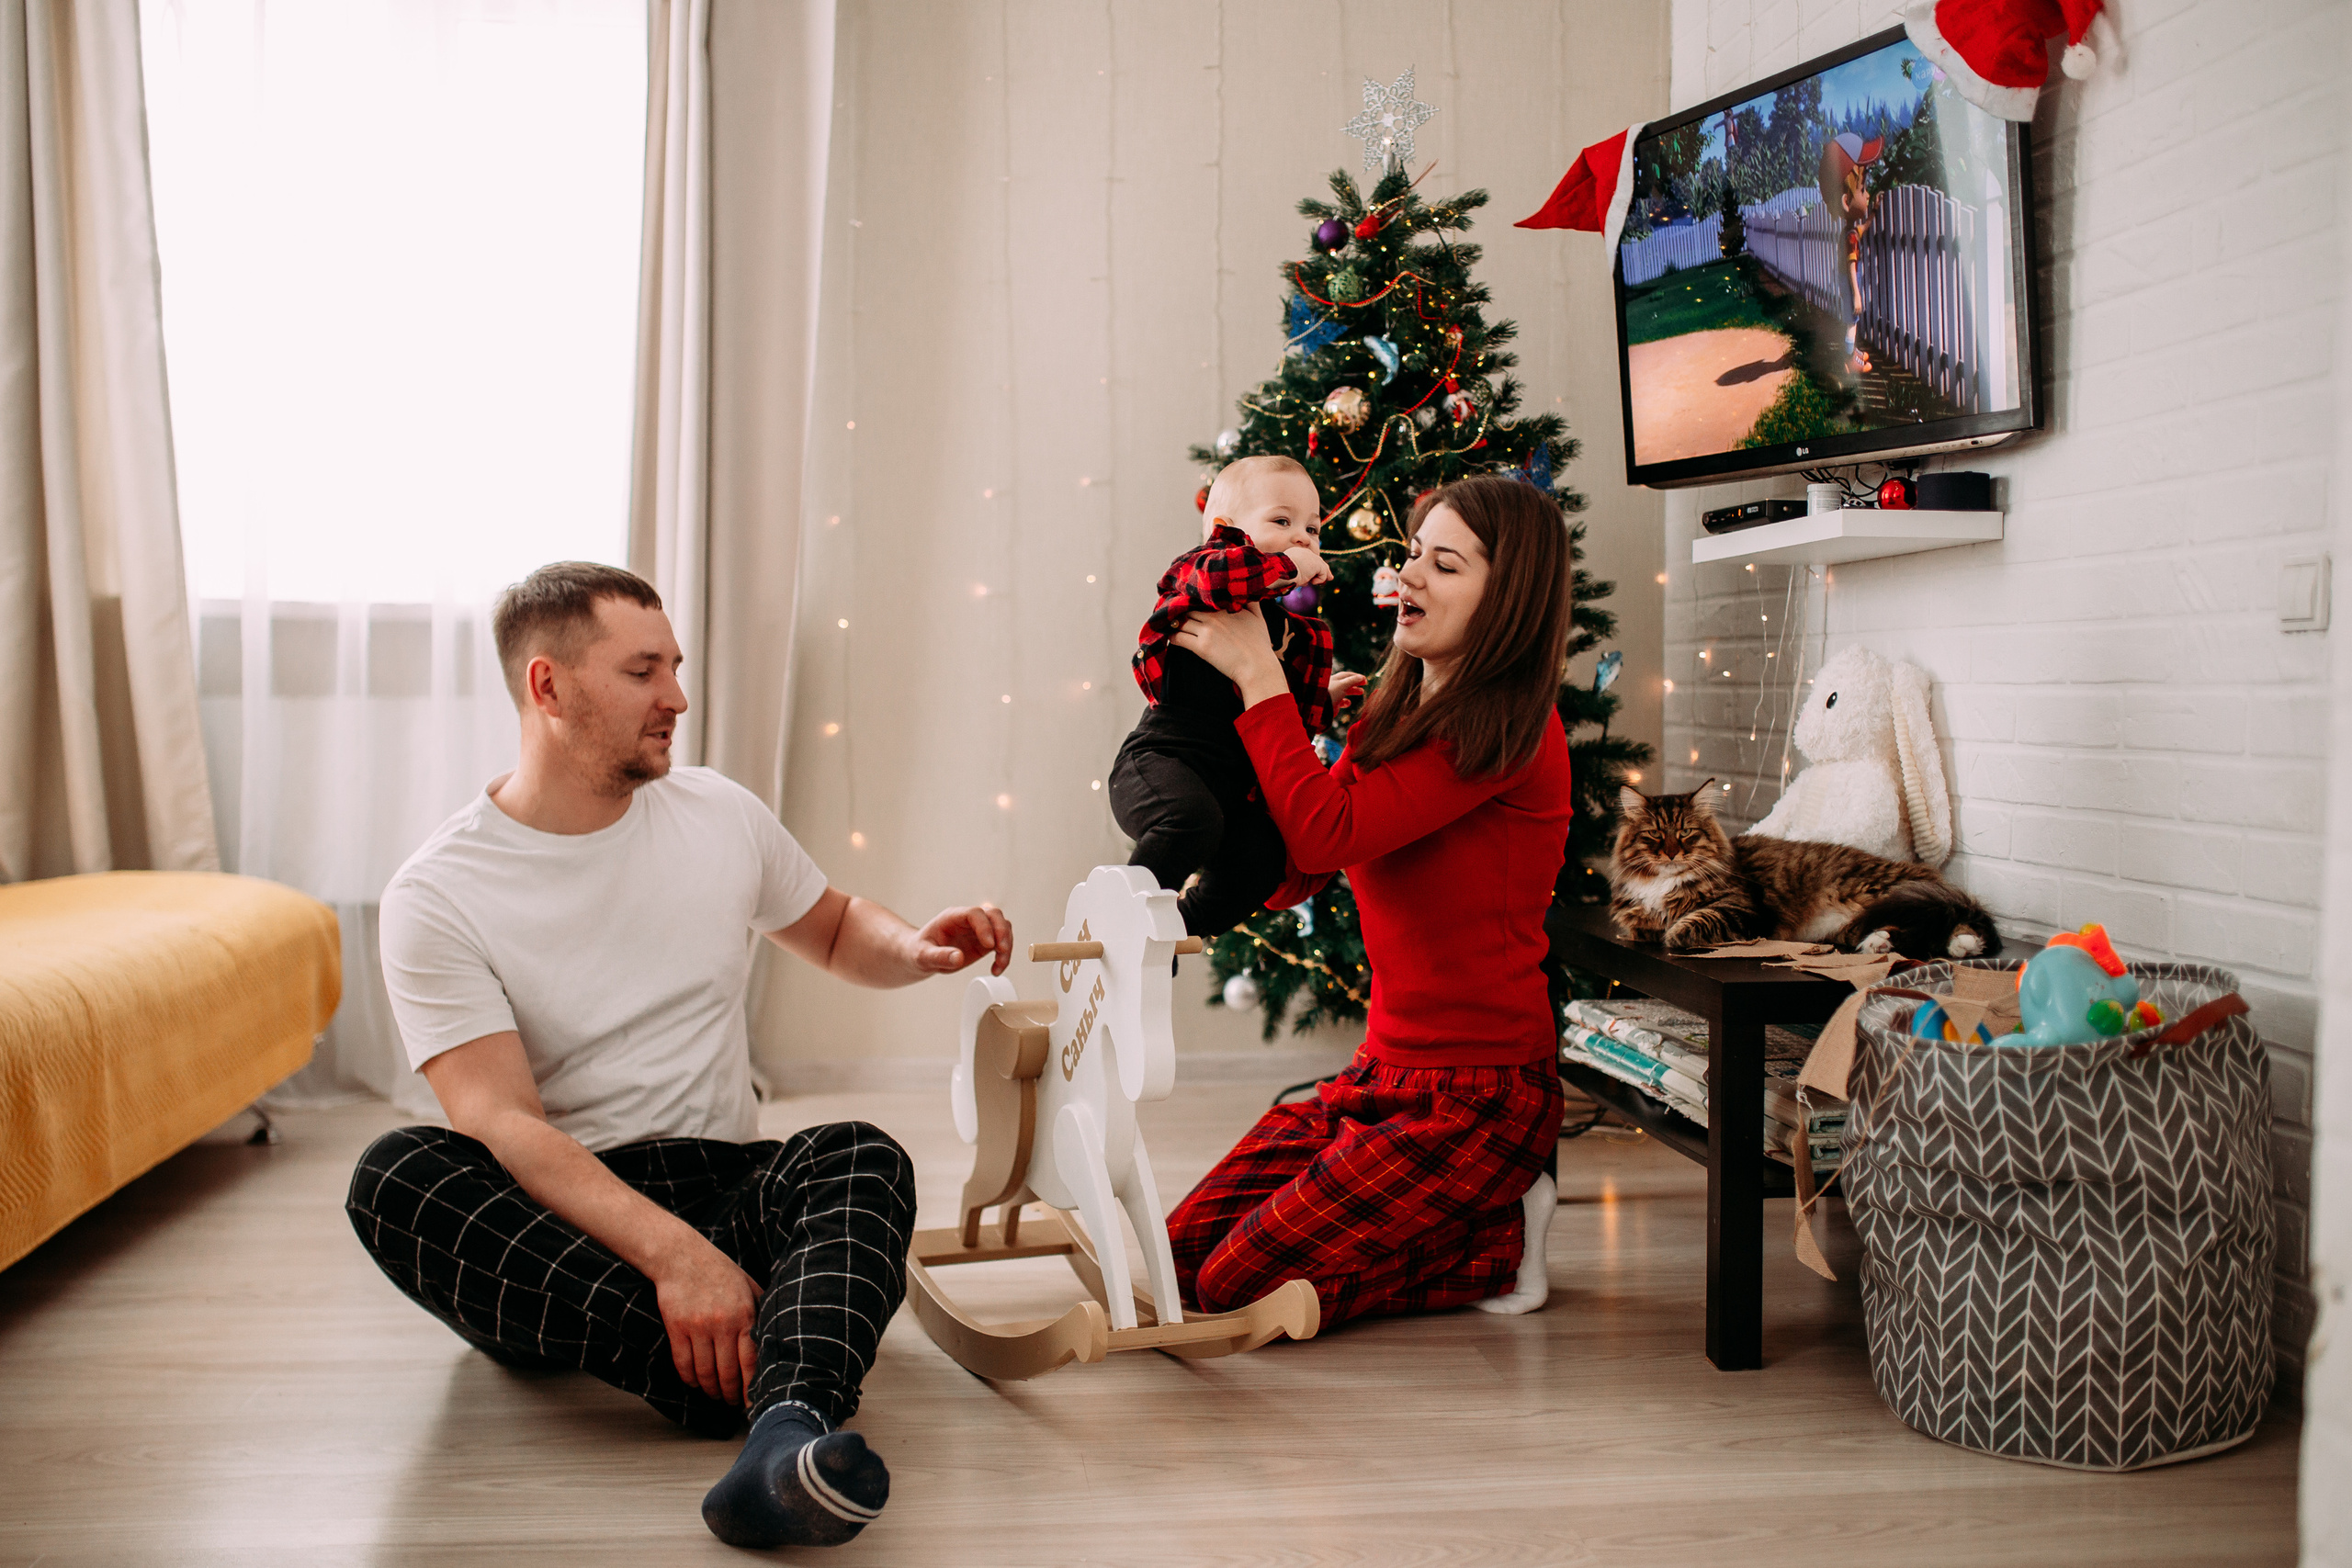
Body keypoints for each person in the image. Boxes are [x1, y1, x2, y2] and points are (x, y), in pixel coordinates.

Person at [345, 562, 1014, 1551]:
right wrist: (674, 1258)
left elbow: (831, 929)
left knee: (861, 1152)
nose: (678, 698)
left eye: (678, 667)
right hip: (568, 1231)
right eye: (644, 671)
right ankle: (763, 1391)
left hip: (723, 1181)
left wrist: (915, 948)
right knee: (396, 1176)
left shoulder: (718, 812)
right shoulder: (438, 892)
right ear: (548, 686)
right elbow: (504, 1123)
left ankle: (781, 1437)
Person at [1159, 474, 1575, 1325]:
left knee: (1236, 1289)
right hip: (1380, 1073)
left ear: (1510, 599)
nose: (1409, 576)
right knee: (1179, 1253)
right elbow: (1298, 871)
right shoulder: (1397, 704)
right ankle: (1461, 1219)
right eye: (1415, 552)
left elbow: (1325, 834)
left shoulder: (1505, 730)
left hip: (1479, 1096)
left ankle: (1501, 1239)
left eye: (1445, 565)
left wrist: (1261, 678)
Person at [1112, 455, 1365, 936]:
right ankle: (1122, 925)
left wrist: (1321, 702)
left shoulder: (1298, 633)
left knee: (1262, 856)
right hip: (1165, 760)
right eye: (1282, 521)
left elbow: (1282, 728)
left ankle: (1176, 932)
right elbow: (1222, 578)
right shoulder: (1202, 575)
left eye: (1313, 528)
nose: (1302, 538)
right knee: (1190, 820)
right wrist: (1289, 564)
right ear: (1223, 528)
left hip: (1231, 786)